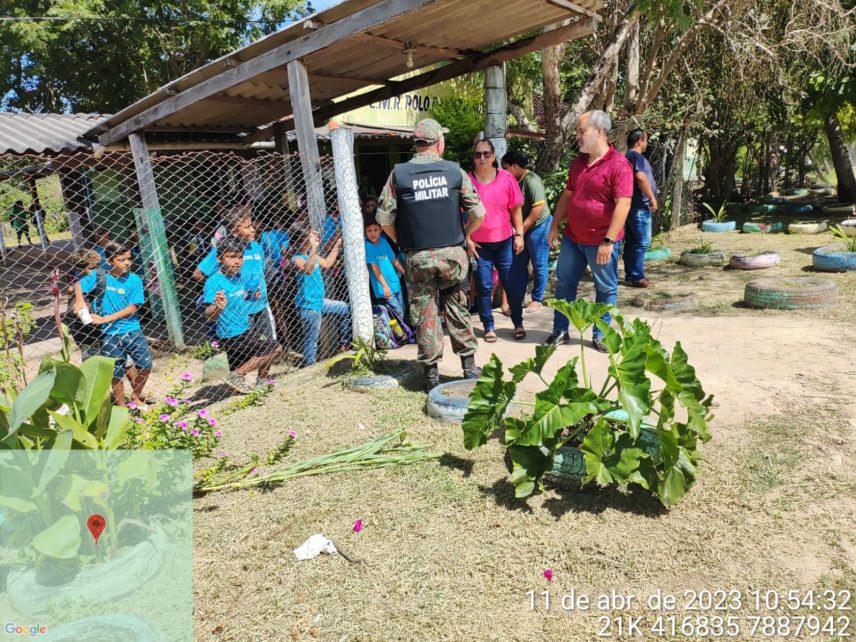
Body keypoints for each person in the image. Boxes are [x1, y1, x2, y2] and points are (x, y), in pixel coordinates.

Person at [376, 118, 485, 391]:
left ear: (417, 144)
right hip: (452, 256)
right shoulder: (455, 171)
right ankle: (469, 369)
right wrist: (465, 235)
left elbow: (383, 218)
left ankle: (431, 377)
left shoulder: (398, 174)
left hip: (418, 258)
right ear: (439, 143)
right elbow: (478, 213)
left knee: (425, 312)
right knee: (457, 307)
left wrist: (403, 242)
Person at [544, 110, 633, 353]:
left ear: (599, 132)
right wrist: (554, 225)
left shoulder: (619, 165)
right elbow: (568, 195)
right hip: (573, 238)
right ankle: (560, 330)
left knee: (605, 288)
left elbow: (623, 205)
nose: (578, 136)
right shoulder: (578, 163)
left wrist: (608, 241)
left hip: (601, 241)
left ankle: (601, 334)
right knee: (564, 284)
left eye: (582, 131)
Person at [204, 235, 282, 393]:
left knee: (236, 389)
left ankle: (240, 383)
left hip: (243, 328)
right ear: (219, 258)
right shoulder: (214, 281)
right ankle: (236, 375)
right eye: (231, 257)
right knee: (275, 348)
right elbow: (208, 315)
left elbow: (240, 297)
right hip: (231, 334)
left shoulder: (238, 277)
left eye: (240, 257)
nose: (237, 261)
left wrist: (252, 296)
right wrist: (217, 306)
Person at [80, 240, 153, 407]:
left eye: (129, 259)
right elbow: (77, 286)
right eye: (121, 260)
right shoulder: (99, 277)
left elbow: (133, 307)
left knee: (146, 365)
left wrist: (106, 319)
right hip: (109, 334)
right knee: (116, 373)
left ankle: (135, 396)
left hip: (132, 330)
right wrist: (79, 301)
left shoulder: (134, 280)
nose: (127, 263)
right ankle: (121, 407)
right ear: (109, 261)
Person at [194, 201, 277, 342]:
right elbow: (198, 274)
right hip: (239, 312)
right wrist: (227, 289)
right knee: (249, 348)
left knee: (270, 344)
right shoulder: (224, 251)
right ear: (234, 231)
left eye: (252, 225)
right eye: (247, 227)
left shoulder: (256, 247)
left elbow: (260, 272)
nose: (253, 229)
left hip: (261, 305)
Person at [468, 139, 526, 342]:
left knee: (510, 283)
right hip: (479, 245)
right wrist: (466, 239)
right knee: (484, 286)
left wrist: (519, 235)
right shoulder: (467, 181)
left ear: (493, 156)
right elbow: (458, 214)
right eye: (478, 154)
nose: (482, 158)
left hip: (505, 241)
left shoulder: (506, 178)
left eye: (486, 153)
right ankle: (488, 326)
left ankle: (518, 322)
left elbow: (516, 209)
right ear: (473, 158)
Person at [289, 223, 350, 367]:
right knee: (312, 340)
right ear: (304, 240)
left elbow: (328, 263)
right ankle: (309, 366)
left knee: (345, 308)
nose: (315, 237)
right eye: (311, 236)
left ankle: (344, 344)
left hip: (320, 302)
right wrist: (314, 248)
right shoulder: (296, 258)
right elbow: (308, 270)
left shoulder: (312, 255)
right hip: (309, 306)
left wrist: (337, 244)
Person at [501, 149, 551, 314]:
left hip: (539, 227)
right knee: (518, 265)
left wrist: (521, 231)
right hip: (523, 230)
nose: (503, 171)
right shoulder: (513, 181)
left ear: (514, 166)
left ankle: (537, 299)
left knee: (539, 263)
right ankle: (517, 299)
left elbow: (538, 207)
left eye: (505, 167)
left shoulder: (531, 180)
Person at [623, 128, 658, 288]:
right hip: (639, 206)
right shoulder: (635, 156)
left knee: (633, 241)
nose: (647, 143)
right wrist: (651, 197)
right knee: (642, 242)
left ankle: (631, 274)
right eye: (646, 140)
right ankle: (636, 276)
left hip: (634, 206)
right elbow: (640, 177)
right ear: (639, 141)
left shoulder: (629, 156)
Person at [364, 219, 406, 318]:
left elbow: (393, 260)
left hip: (395, 282)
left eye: (375, 230)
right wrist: (385, 286)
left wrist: (404, 272)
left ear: (381, 230)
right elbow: (374, 267)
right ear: (365, 232)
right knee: (398, 312)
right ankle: (400, 328)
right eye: (369, 231)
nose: (373, 233)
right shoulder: (368, 246)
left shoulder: (383, 241)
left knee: (402, 309)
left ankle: (403, 327)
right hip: (384, 287)